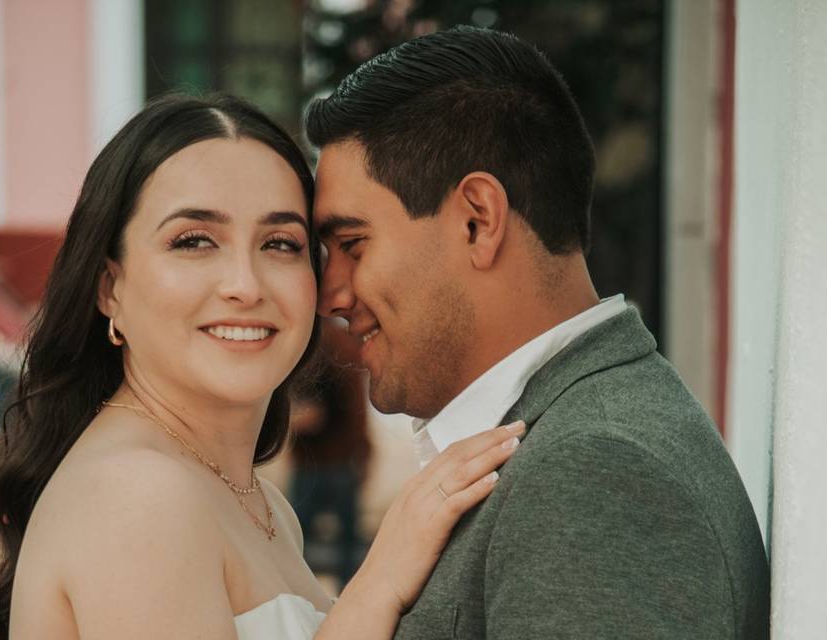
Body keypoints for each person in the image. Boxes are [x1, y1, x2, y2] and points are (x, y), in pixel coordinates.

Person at [0, 93, 526, 640]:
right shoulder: (138, 494)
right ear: (109, 287)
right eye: (194, 241)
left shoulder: (259, 504)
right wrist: (380, 582)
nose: (244, 285)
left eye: (280, 244)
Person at [307, 25, 770, 639]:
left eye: (351, 244)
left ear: (478, 221)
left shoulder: (595, 474)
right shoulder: (570, 437)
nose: (330, 295)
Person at [289, 319, 371, 588]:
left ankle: (297, 593)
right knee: (346, 542)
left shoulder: (316, 345)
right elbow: (357, 411)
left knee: (294, 540)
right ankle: (346, 596)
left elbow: (313, 414)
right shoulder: (348, 344)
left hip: (318, 463)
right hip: (343, 459)